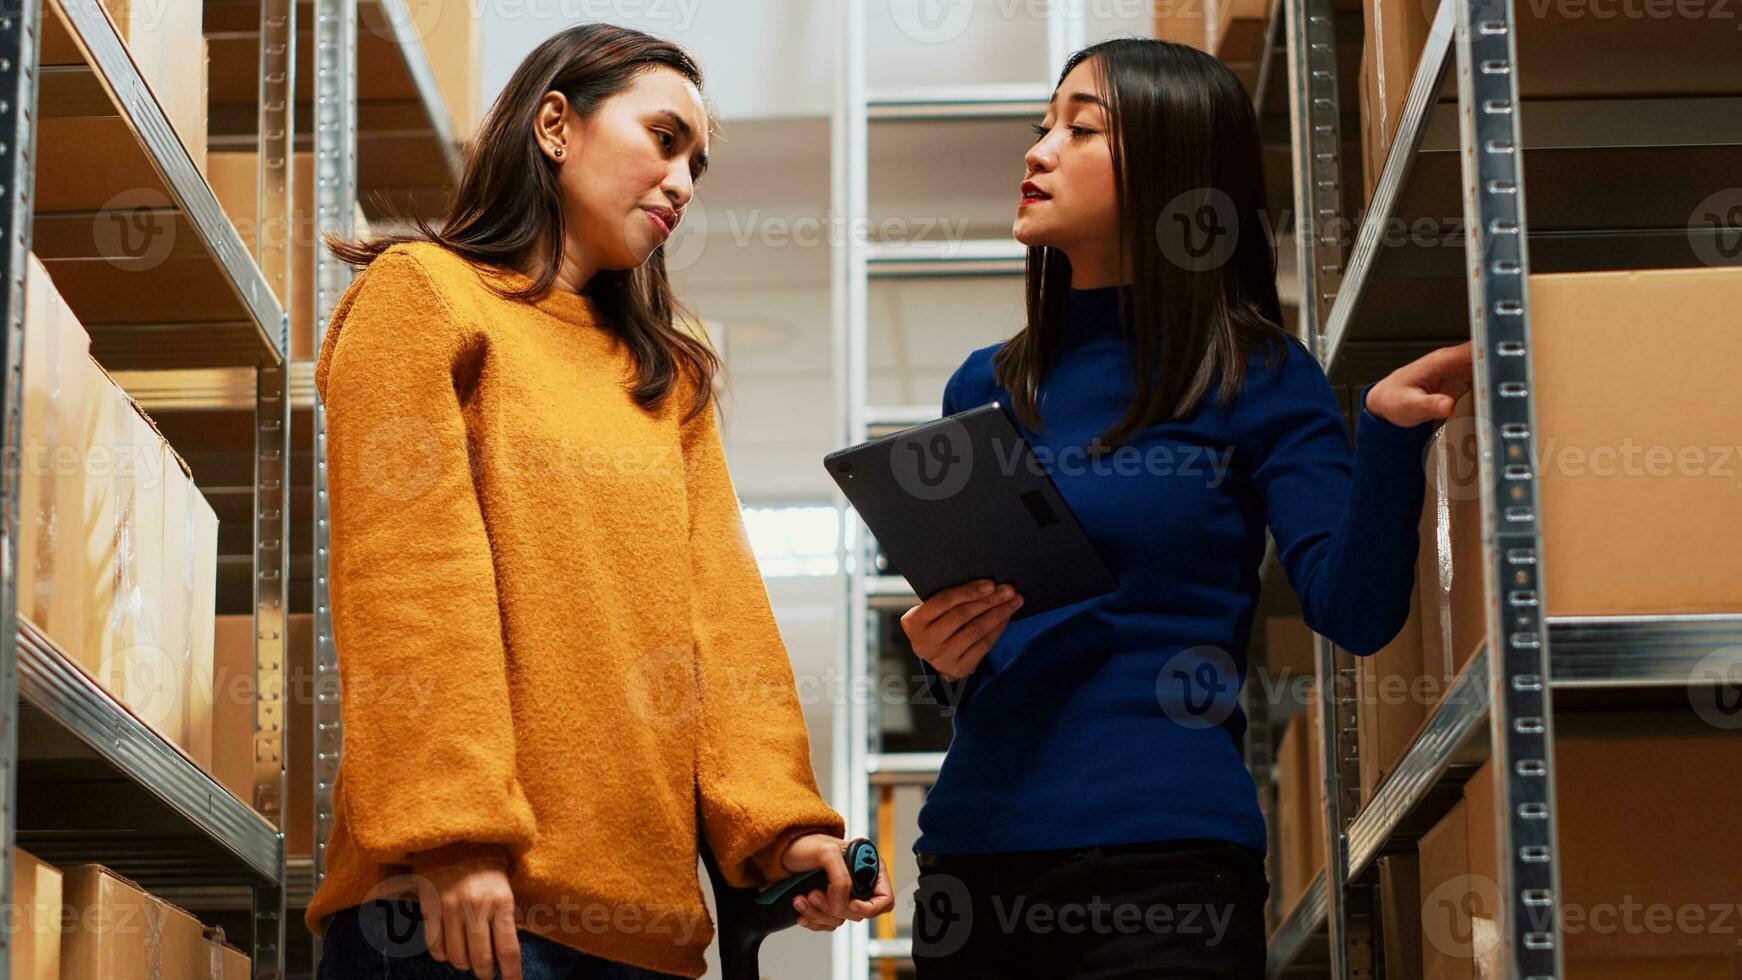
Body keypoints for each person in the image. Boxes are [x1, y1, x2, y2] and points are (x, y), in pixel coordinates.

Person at [304, 23, 893, 980]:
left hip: (646, 933)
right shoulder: (427, 297)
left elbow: (723, 622)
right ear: (553, 126)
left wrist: (785, 829)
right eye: (664, 139)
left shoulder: (664, 373)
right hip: (459, 911)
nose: (684, 183)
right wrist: (453, 836)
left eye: (697, 164)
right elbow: (408, 583)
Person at [901, 39, 1472, 978]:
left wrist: (1389, 439)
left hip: (1167, 872)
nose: (1038, 150)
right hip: (973, 865)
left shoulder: (1257, 375)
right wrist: (938, 651)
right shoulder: (985, 386)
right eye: (1044, 124)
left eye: (1081, 128)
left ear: (1174, 164)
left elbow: (1356, 611)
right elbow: (971, 639)